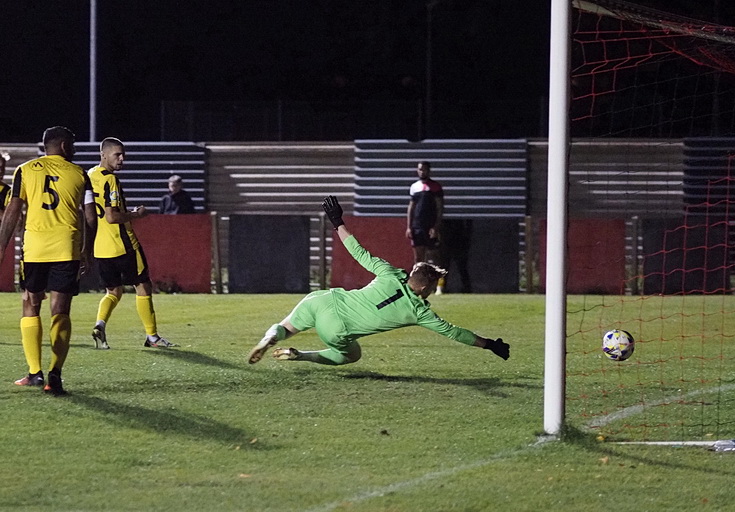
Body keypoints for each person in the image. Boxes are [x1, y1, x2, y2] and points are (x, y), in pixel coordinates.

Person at [247, 195, 509, 366]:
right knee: (351, 355)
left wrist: (337, 220)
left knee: (286, 326)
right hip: (336, 329)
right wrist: (490, 345)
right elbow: (454, 332)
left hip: (325, 300)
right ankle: (301, 356)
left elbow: (358, 251)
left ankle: (271, 337)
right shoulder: (419, 312)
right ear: (427, 287)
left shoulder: (389, 273)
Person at [0, 126, 97, 395]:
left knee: (30, 304)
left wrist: (1, 247)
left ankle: (34, 372)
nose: (75, 148)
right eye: (73, 144)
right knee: (60, 310)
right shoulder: (79, 174)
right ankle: (54, 376)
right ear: (64, 146)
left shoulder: (24, 170)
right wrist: (87, 250)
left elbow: (13, 209)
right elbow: (90, 216)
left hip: (35, 249)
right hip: (66, 248)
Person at [88, 137, 176, 350]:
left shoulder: (89, 176)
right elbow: (112, 217)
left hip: (101, 247)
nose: (122, 158)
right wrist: (137, 214)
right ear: (104, 155)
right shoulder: (111, 180)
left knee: (113, 292)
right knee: (143, 285)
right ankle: (152, 337)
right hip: (123, 243)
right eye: (117, 154)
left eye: (123, 154)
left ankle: (100, 324)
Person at [406, 161, 445, 293]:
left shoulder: (435, 187)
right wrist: (409, 227)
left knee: (434, 256)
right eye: (419, 169)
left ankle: (439, 286)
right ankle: (416, 286)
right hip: (417, 227)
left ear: (429, 170)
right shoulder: (414, 187)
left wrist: (436, 227)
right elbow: (411, 208)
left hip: (430, 227)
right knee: (418, 258)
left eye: (424, 169)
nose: (421, 172)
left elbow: (439, 208)